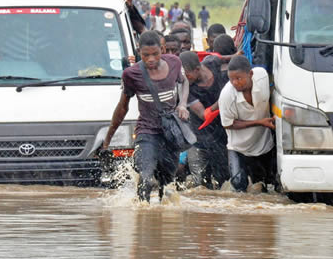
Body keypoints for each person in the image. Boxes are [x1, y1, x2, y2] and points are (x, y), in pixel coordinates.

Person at [103, 31, 190, 202]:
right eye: (145, 55)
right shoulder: (131, 75)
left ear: (162, 49)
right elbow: (122, 107)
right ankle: (142, 215)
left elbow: (184, 81)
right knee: (146, 176)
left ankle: (158, 221)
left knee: (167, 182)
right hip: (147, 131)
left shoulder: (174, 63)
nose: (151, 59)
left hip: (170, 132)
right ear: (139, 52)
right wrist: (108, 139)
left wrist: (182, 104)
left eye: (155, 54)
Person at [218, 55, 276, 192]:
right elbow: (227, 124)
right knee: (238, 185)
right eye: (231, 79)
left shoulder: (262, 76)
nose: (235, 83)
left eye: (238, 78)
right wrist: (259, 122)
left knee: (264, 187)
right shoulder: (227, 95)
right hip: (239, 148)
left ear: (250, 74)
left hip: (263, 144)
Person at [179, 51, 229, 189]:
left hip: (221, 136)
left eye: (186, 75)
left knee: (223, 181)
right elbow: (204, 114)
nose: (184, 79)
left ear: (197, 69)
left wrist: (237, 54)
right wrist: (225, 98)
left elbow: (225, 58)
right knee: (198, 184)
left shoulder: (212, 62)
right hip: (198, 140)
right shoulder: (186, 90)